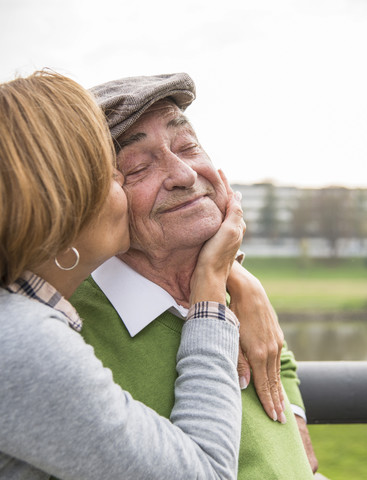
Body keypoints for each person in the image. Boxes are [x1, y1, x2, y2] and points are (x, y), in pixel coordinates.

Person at [0, 70, 247, 479]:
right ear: (59, 207)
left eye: (187, 146)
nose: (184, 176)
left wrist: (236, 284)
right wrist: (209, 300)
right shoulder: (23, 343)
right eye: (121, 172)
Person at [71, 73, 316, 478]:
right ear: (97, 198)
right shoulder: (69, 329)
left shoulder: (229, 280)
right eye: (137, 167)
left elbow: (279, 359)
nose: (184, 174)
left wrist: (297, 432)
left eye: (187, 146)